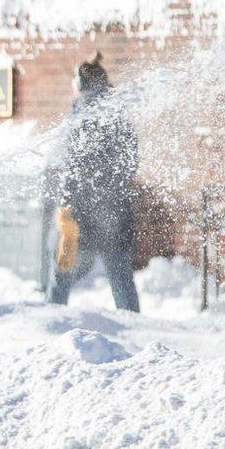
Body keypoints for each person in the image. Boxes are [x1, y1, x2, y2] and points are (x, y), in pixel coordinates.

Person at [47, 53, 140, 312]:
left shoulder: (79, 118)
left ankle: (51, 324)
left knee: (61, 277)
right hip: (116, 215)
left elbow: (71, 168)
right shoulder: (118, 115)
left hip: (80, 217)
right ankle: (136, 331)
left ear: (80, 85)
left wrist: (65, 208)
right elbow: (131, 163)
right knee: (121, 280)